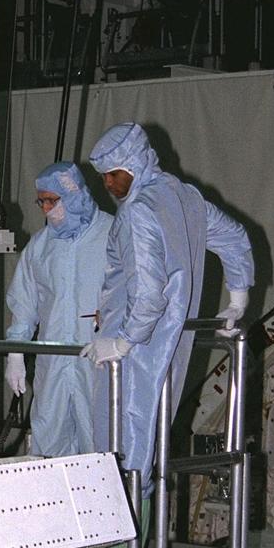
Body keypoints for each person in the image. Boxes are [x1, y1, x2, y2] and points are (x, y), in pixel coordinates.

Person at [82, 122, 254, 495]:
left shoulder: (137, 212)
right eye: (103, 176)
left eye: (114, 174)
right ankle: (140, 525)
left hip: (136, 346)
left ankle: (124, 530)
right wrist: (237, 301)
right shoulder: (185, 198)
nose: (108, 183)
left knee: (121, 448)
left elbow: (148, 293)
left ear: (135, 162)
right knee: (148, 438)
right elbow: (233, 236)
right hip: (170, 342)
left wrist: (122, 342)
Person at [4, 162, 112, 457]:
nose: (47, 209)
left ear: (74, 193)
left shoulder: (113, 234)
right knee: (49, 442)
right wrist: (15, 352)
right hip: (52, 364)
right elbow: (24, 302)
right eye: (41, 202)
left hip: (100, 361)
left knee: (101, 444)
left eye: (52, 200)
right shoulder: (40, 246)